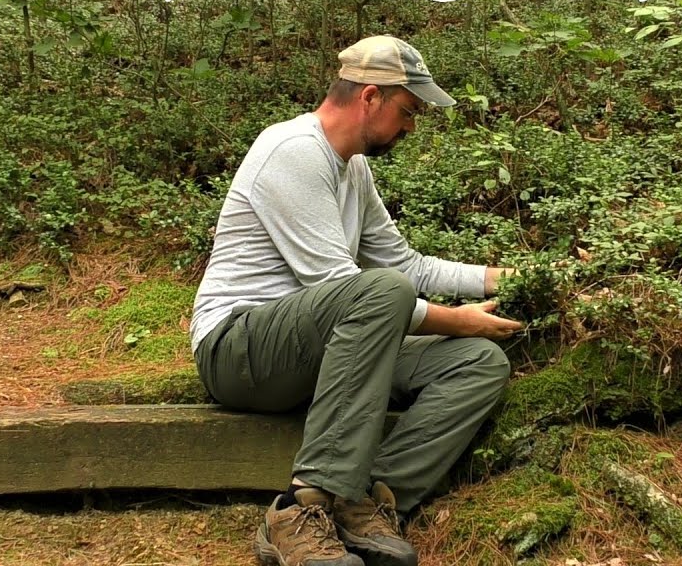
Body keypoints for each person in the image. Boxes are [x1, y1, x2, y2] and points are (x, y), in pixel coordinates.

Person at [191, 35, 523, 566]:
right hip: (239, 350)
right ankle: (300, 509)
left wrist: (504, 279)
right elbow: (346, 286)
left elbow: (406, 265)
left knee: (477, 362)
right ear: (370, 97)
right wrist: (455, 320)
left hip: (321, 350)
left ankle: (368, 500)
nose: (411, 127)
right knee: (384, 293)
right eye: (408, 111)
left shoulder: (354, 168)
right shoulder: (292, 151)